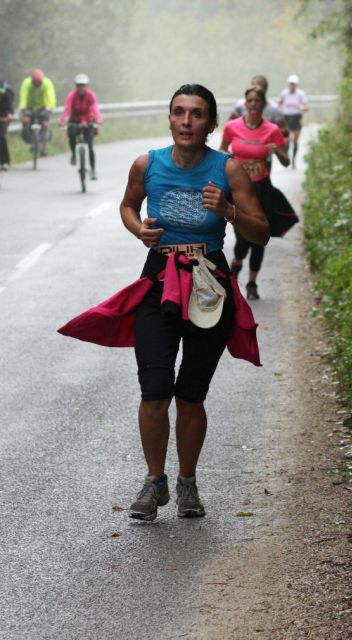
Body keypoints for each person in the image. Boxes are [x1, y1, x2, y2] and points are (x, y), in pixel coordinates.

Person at [58, 83, 269, 522]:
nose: (186, 121)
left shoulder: (229, 170)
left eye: (196, 114)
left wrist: (228, 211)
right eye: (179, 112)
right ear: (169, 119)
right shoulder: (146, 164)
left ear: (210, 123)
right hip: (158, 280)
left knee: (191, 394)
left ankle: (187, 483)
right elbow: (127, 206)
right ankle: (154, 481)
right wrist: (139, 230)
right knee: (154, 390)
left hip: (209, 285)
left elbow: (260, 232)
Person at [220, 86, 290, 300]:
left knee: (260, 236)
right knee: (242, 235)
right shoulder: (232, 127)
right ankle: (237, 261)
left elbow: (286, 162)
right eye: (249, 101)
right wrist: (230, 158)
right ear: (245, 103)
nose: (252, 105)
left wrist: (277, 150)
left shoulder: (272, 130)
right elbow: (222, 151)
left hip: (262, 189)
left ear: (263, 104)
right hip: (239, 189)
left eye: (256, 101)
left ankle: (252, 282)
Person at [59, 73, 102, 180]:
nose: (81, 87)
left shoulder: (91, 95)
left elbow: (94, 107)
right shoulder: (72, 96)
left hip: (88, 120)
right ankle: (74, 154)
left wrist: (99, 118)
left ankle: (93, 170)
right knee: (72, 134)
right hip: (75, 120)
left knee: (90, 145)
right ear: (76, 86)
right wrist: (62, 120)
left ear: (87, 86)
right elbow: (67, 108)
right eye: (79, 85)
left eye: (83, 85)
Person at [18, 69, 56, 156]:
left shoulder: (47, 83)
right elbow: (23, 96)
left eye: (38, 83)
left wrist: (50, 108)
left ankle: (44, 147)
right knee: (26, 120)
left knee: (45, 124)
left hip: (43, 107)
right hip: (30, 107)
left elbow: (51, 96)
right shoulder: (26, 83)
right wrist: (23, 108)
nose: (37, 85)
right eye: (35, 83)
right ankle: (28, 139)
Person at [278, 74, 309, 169]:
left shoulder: (300, 94)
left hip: (296, 117)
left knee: (295, 140)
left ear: (296, 85)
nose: (292, 86)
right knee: (287, 140)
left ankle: (294, 160)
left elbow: (306, 106)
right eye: (291, 84)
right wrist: (281, 111)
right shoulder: (284, 93)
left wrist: (300, 107)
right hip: (287, 117)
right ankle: (287, 157)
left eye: (294, 84)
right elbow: (279, 104)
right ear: (288, 84)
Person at [0, 80, 14, 170]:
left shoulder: (5, 94)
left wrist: (8, 115)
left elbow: (10, 109)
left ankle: (5, 162)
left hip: (3, 118)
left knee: (1, 137)